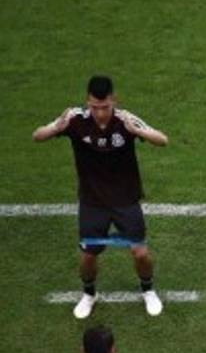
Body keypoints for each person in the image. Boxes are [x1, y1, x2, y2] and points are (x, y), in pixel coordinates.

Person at [33, 75, 169, 319]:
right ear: (87, 102)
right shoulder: (74, 119)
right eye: (94, 107)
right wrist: (56, 128)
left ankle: (148, 290)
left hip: (125, 200)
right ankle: (89, 294)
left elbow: (162, 140)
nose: (100, 113)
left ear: (113, 101)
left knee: (140, 253)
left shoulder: (125, 119)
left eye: (105, 107)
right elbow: (37, 136)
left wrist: (137, 131)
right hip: (92, 202)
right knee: (88, 255)